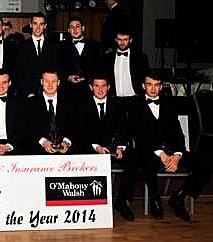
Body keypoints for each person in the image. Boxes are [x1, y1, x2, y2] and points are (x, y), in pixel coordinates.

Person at [116, 72, 186, 221]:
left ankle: (180, 196)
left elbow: (179, 133)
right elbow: (140, 136)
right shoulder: (135, 106)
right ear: (143, 86)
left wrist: (178, 155)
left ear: (161, 87)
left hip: (172, 151)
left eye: (156, 85)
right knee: (147, 163)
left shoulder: (169, 106)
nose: (153, 89)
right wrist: (161, 154)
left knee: (204, 163)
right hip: (148, 150)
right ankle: (155, 200)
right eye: (149, 85)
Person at [76, 75, 127, 156]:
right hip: (90, 151)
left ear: (108, 87)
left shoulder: (118, 105)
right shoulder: (81, 106)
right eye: (96, 86)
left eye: (103, 86)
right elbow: (81, 133)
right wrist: (97, 147)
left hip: (115, 151)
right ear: (91, 87)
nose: (100, 90)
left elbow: (124, 130)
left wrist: (120, 148)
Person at [27, 69, 76, 154]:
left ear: (58, 82)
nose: (50, 85)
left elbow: (75, 126)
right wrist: (43, 142)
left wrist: (66, 142)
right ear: (41, 82)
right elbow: (27, 129)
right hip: (38, 150)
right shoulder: (30, 103)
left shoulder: (70, 103)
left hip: (66, 152)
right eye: (47, 81)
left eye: (53, 81)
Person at [58, 16, 103, 100]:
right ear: (68, 30)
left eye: (78, 26)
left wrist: (85, 78)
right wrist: (68, 77)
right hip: (67, 91)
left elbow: (99, 68)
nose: (75, 30)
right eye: (72, 27)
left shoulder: (95, 46)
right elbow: (58, 68)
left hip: (89, 92)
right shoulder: (61, 47)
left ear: (83, 28)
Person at [16, 12, 59, 98]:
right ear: (31, 25)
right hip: (27, 95)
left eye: (41, 24)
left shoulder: (54, 46)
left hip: (49, 94)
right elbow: (18, 72)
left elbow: (58, 69)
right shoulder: (21, 46)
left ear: (45, 26)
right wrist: (27, 92)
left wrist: (51, 92)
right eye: (35, 24)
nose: (38, 27)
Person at [104, 29, 149, 106]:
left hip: (135, 99)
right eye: (119, 39)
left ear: (130, 40)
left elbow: (146, 78)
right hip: (114, 100)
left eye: (125, 39)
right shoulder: (108, 57)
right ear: (115, 40)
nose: (122, 42)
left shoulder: (140, 58)